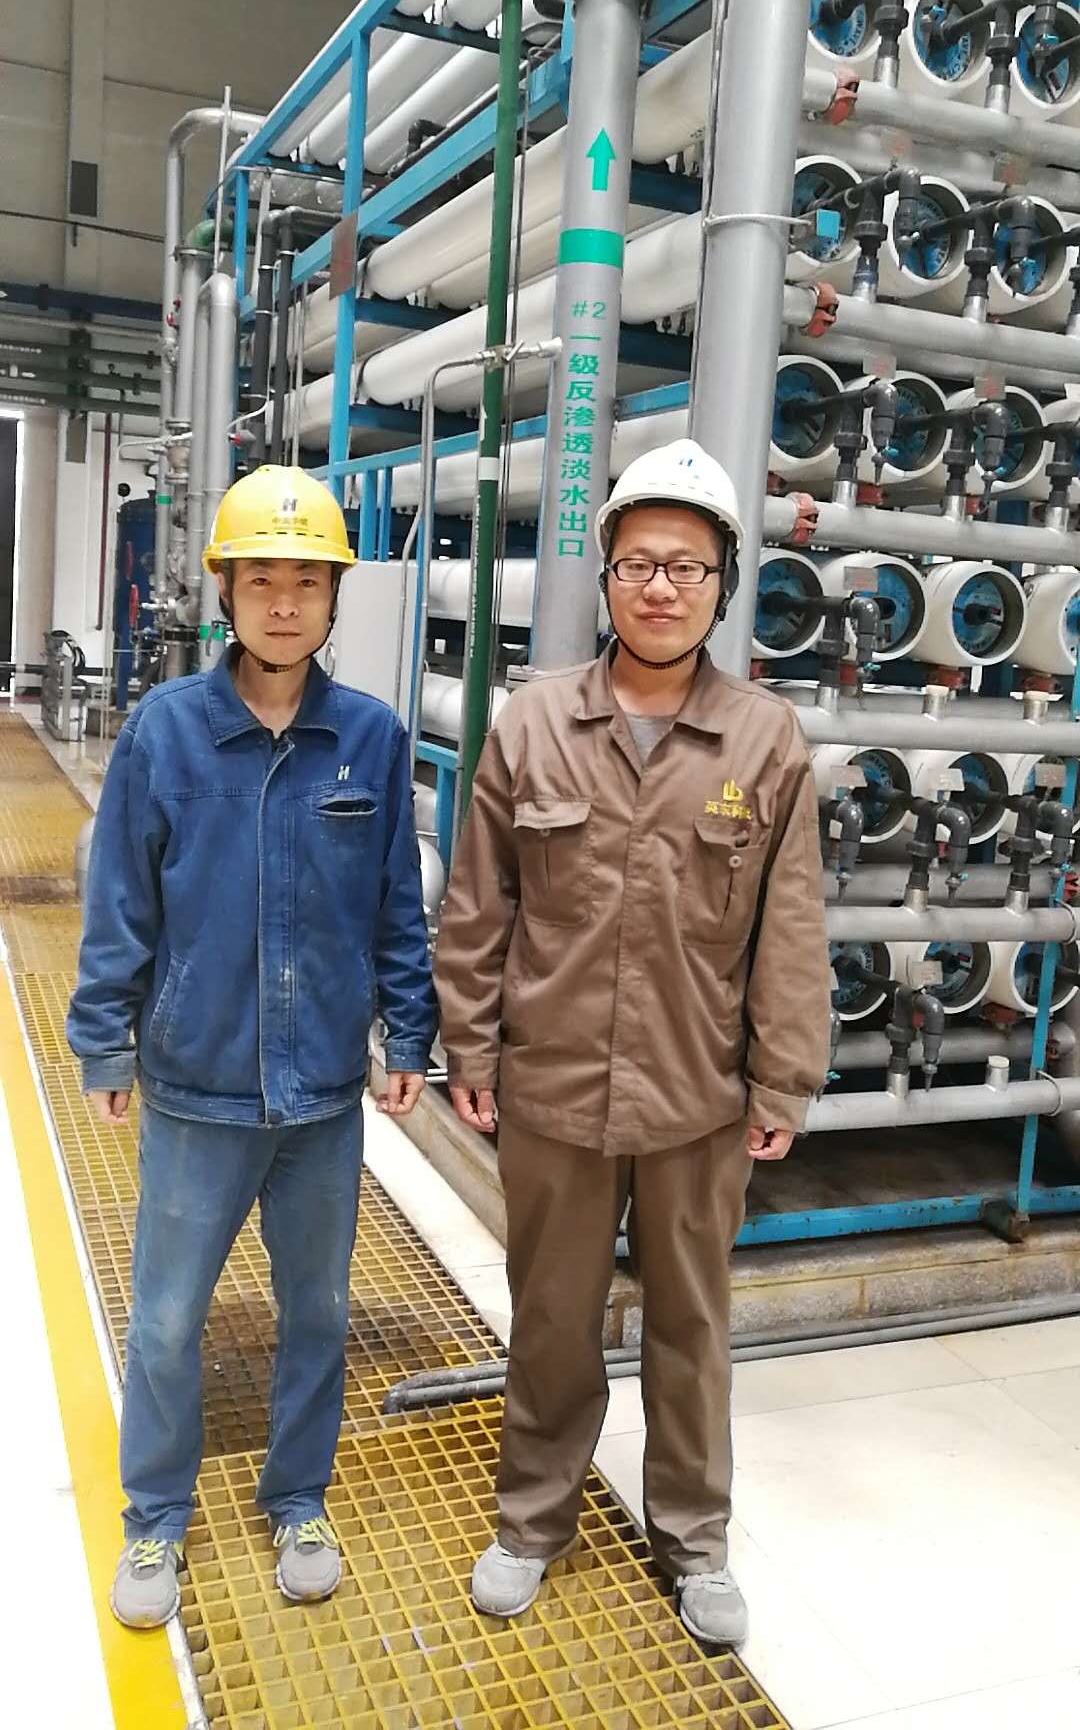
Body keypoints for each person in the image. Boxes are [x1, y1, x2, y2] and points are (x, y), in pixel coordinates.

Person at [434, 439, 831, 1646]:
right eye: (640, 563)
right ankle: (532, 1521)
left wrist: (784, 1077)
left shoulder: (765, 741)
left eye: (689, 567)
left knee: (691, 1327)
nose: (662, 587)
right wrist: (471, 1051)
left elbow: (791, 927)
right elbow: (479, 905)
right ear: (606, 575)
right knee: (551, 1320)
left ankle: (695, 1540)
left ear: (723, 585)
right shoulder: (533, 725)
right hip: (553, 1090)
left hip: (698, 1096)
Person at [67, 465, 436, 1630]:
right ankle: (154, 1515)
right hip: (196, 1085)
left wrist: (408, 1030)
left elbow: (397, 904)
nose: (285, 603)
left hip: (321, 1095)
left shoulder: (368, 737)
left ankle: (298, 1499)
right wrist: (105, 1041)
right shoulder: (165, 733)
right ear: (224, 592)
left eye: (308, 583)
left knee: (316, 1312)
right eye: (262, 580)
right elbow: (120, 901)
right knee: (169, 1319)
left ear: (333, 599)